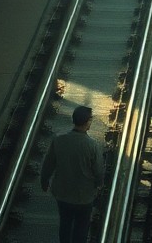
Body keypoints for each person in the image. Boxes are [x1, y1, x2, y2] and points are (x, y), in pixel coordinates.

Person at [40, 103, 105, 243]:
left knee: (65, 224)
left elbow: (48, 164)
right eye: (91, 120)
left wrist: (44, 181)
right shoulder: (92, 145)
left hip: (63, 193)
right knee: (81, 228)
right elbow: (98, 171)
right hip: (84, 196)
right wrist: (99, 185)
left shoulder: (59, 140)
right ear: (87, 122)